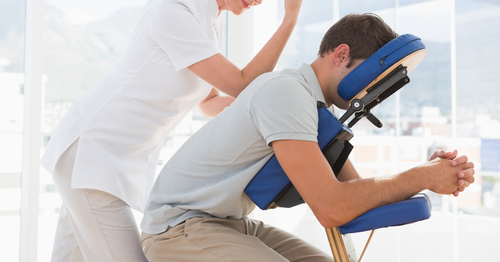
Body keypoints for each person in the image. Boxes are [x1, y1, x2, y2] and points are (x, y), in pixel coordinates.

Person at [41, 0, 305, 262]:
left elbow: (209, 102)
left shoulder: (209, 23)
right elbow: (240, 83)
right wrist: (289, 19)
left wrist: (262, 111)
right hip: (92, 153)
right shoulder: (177, 9)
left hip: (108, 159)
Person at [140, 13, 476, 262]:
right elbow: (332, 207)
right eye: (371, 78)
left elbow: (356, 195)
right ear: (341, 54)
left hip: (229, 223)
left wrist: (431, 173)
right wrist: (423, 176)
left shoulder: (317, 109)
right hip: (179, 227)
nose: (371, 91)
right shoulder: (286, 92)